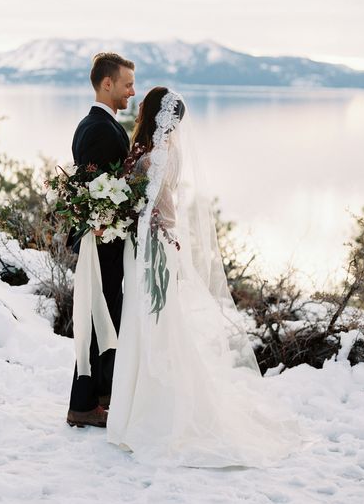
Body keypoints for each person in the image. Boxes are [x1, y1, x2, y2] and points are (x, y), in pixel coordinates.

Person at [107, 87, 307, 467]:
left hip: (152, 247)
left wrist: (123, 209)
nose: (137, 107)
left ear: (154, 114)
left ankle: (156, 412)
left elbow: (148, 205)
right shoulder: (163, 151)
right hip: (151, 243)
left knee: (153, 323)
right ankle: (137, 407)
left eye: (143, 105)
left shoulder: (159, 155)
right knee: (148, 321)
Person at [66, 52, 135, 429]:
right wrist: (98, 222)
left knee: (105, 315)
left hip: (107, 241)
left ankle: (99, 396)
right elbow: (88, 188)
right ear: (107, 83)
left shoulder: (94, 124)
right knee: (97, 318)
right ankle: (83, 404)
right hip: (101, 244)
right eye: (127, 84)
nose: (131, 92)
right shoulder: (99, 130)